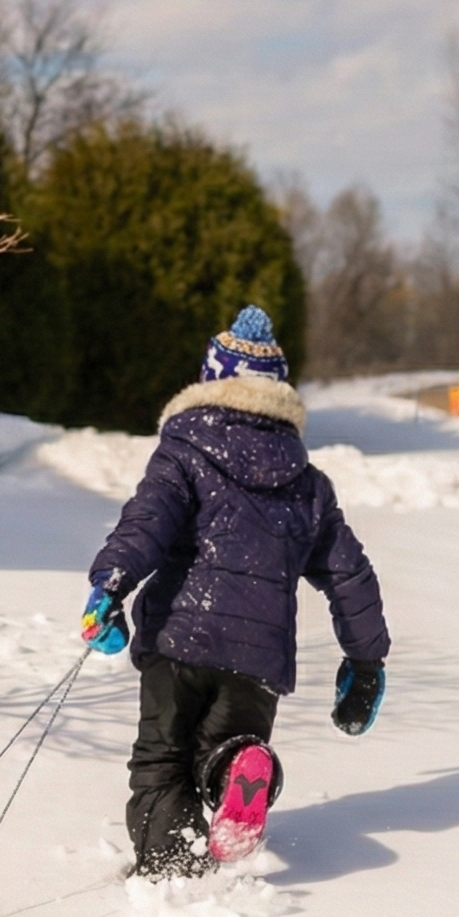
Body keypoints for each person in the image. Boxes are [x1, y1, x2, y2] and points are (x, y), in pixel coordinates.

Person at [80, 305, 389, 878]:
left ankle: (174, 870)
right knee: (223, 747)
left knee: (162, 760)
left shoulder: (182, 454)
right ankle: (235, 770)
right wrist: (365, 660)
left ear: (210, 382)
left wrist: (110, 586)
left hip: (180, 637)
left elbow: (145, 525)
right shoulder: (308, 483)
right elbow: (349, 574)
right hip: (258, 658)